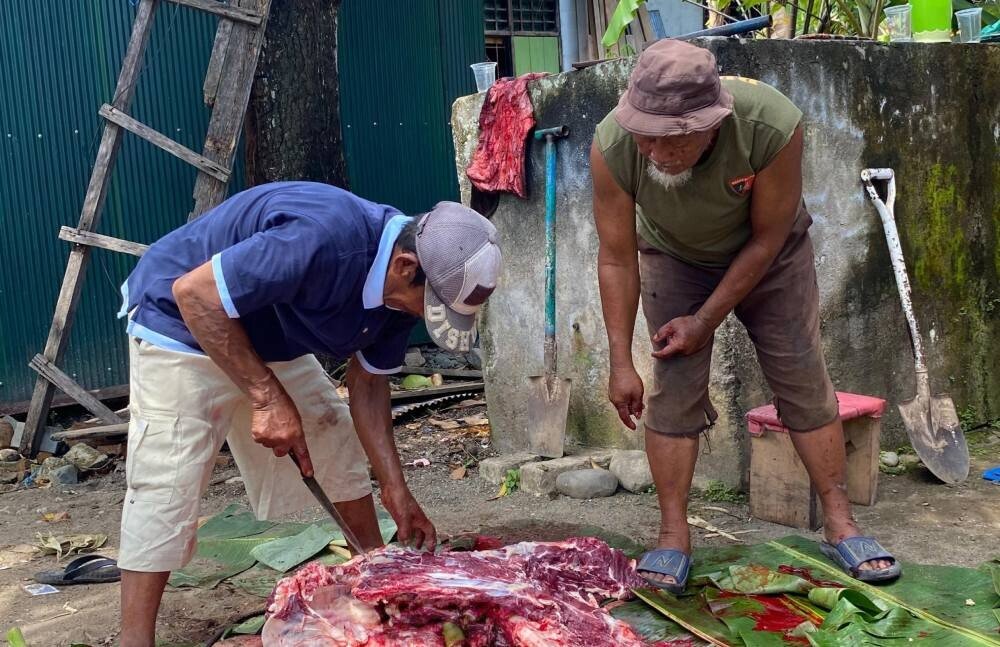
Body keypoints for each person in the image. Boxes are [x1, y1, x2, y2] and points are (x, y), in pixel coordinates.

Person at [115, 181, 501, 646]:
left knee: (330, 433)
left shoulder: (403, 290)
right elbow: (194, 294)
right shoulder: (324, 238)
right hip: (180, 320)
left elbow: (369, 385)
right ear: (404, 266)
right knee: (167, 478)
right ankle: (134, 640)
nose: (422, 316)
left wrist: (397, 491)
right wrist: (266, 397)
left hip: (267, 334)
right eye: (429, 305)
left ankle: (375, 574)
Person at [590, 40, 900, 593]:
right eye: (646, 135)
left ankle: (840, 522)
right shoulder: (614, 145)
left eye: (673, 139)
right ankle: (672, 534)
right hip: (673, 255)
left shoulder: (771, 125)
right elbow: (616, 255)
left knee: (802, 377)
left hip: (770, 255)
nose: (656, 152)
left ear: (712, 123)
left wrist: (705, 320)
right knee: (675, 385)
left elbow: (768, 238)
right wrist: (619, 361)